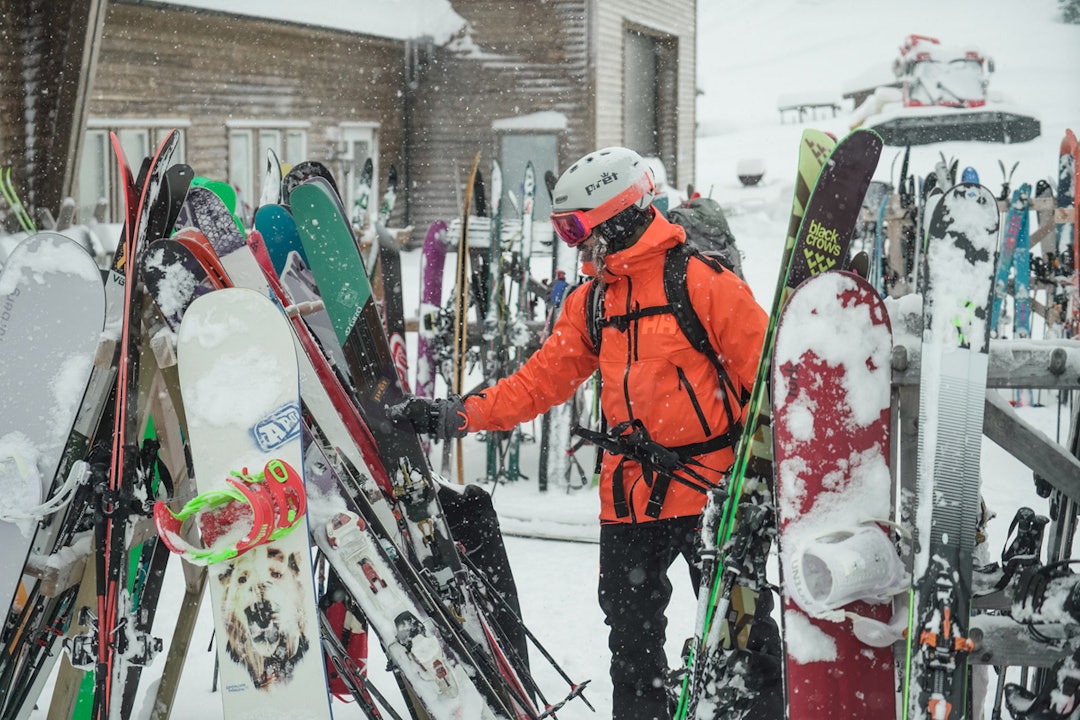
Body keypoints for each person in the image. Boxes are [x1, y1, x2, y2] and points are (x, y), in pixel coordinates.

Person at [389, 146, 771, 720]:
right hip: (630, 499)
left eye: (576, 228)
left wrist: (770, 478)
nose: (574, 244)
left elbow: (770, 382)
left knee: (742, 640)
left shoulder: (703, 284)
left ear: (616, 216)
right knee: (633, 650)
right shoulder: (593, 302)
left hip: (711, 493)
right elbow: (537, 384)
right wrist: (459, 414)